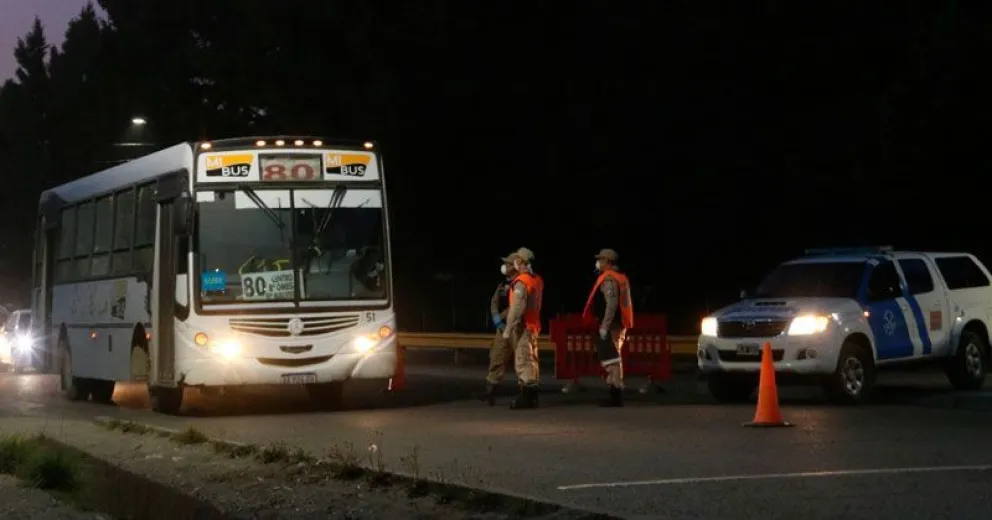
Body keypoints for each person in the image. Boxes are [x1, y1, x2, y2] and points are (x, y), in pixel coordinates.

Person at [581, 248, 634, 407]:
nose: (598, 262)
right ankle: (614, 391)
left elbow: (611, 305)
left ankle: (616, 393)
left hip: (612, 325)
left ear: (608, 262)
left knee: (612, 359)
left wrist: (604, 326)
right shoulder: (619, 278)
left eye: (601, 259)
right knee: (613, 357)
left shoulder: (609, 279)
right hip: (618, 324)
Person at [501, 247, 544, 409]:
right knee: (532, 360)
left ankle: (526, 397)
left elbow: (517, 308)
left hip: (523, 326)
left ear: (521, 262)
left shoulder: (522, 282)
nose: (514, 262)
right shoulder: (536, 279)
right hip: (534, 325)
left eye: (516, 260)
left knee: (523, 359)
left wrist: (508, 329)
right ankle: (532, 395)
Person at [482, 257, 515, 405]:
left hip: (516, 327)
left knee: (523, 362)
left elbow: (517, 304)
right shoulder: (502, 284)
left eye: (508, 264)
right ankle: (490, 391)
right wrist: (496, 317)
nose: (505, 266)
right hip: (502, 328)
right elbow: (494, 301)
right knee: (496, 357)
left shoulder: (520, 283)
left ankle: (527, 394)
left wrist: (501, 318)